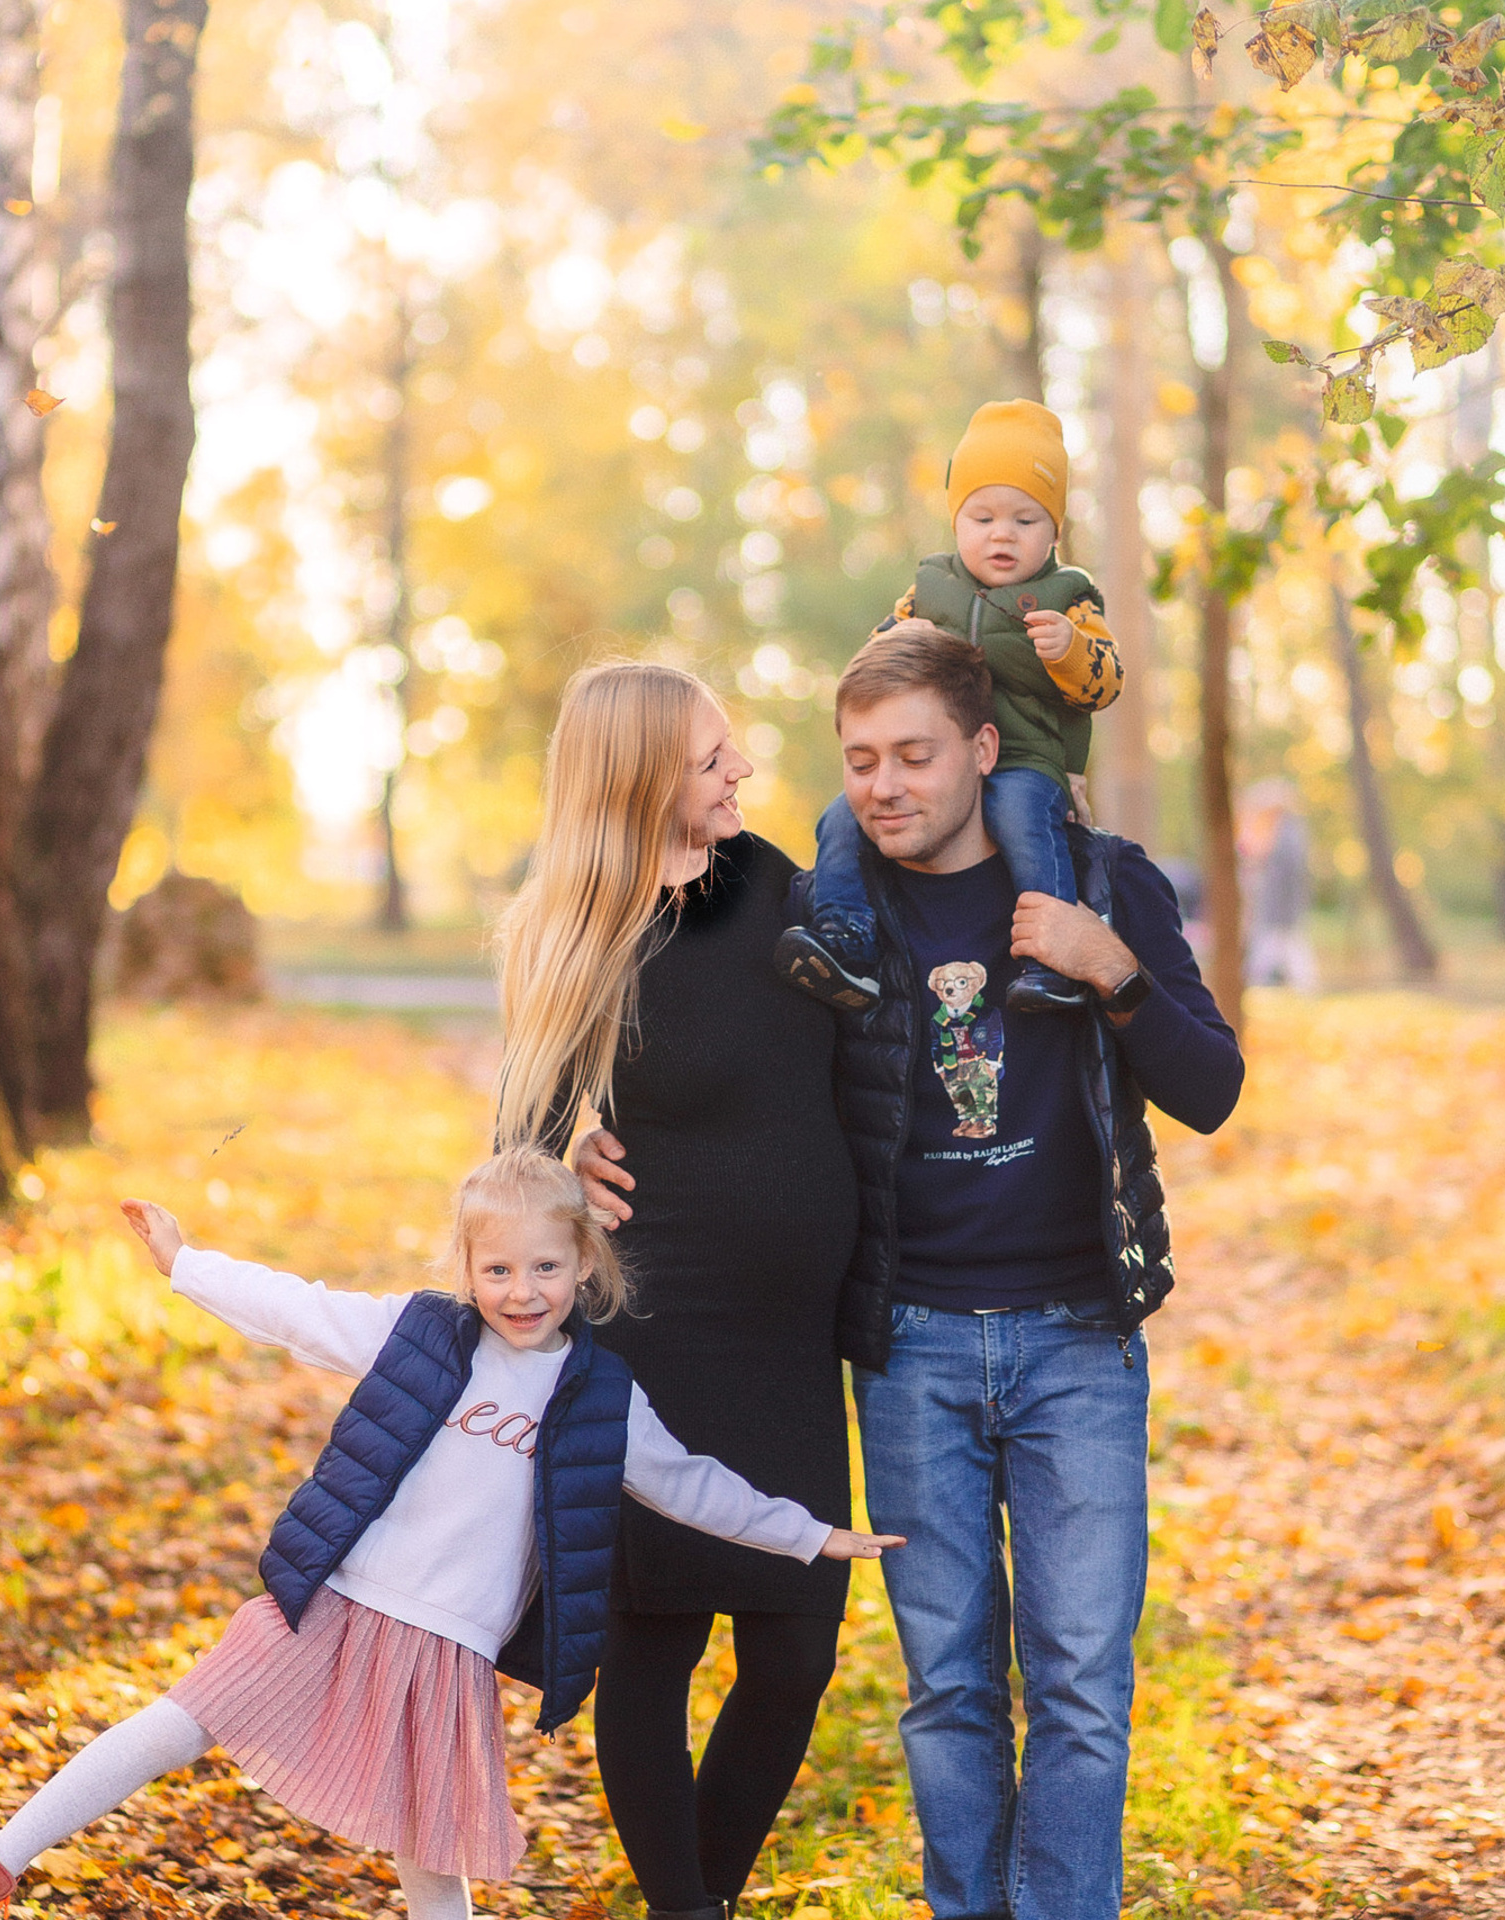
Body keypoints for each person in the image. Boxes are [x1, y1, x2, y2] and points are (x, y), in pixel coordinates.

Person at [578, 624, 1244, 1920]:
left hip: (1076, 1343)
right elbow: (625, 1005)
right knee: (944, 1685)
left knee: (1078, 1686)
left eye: (916, 756)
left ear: (984, 753)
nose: (884, 784)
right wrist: (562, 1140)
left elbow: (1211, 1088)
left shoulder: (1099, 884)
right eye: (862, 759)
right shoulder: (836, 906)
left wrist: (1111, 972)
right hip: (909, 1344)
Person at [0, 1150, 897, 1920]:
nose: (522, 1289)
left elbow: (687, 1486)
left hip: (449, 1648)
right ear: (467, 1266)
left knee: (430, 1854)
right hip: (338, 1601)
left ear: (583, 1262)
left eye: (546, 1265)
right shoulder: (423, 1334)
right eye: (497, 1268)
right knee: (175, 1722)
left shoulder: (599, 1394)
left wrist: (809, 1537)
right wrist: (190, 1264)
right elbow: (304, 1313)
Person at [496, 661, 863, 1920]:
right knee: (656, 1649)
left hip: (790, 1346)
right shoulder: (576, 931)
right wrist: (563, 1161)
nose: (739, 773)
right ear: (643, 776)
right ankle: (686, 1909)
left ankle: (693, 1901)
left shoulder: (769, 881)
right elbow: (517, 1160)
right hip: (656, 1334)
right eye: (713, 760)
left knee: (797, 1646)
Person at [776, 399, 1121, 1014]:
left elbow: (1105, 682)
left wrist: (1070, 650)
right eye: (982, 516)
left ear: (1054, 532)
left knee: (1019, 816)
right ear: (956, 522)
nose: (1002, 534)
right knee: (838, 819)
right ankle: (847, 938)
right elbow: (878, 660)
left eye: (1026, 520)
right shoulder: (931, 589)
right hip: (944, 758)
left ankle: (1050, 958)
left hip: (1025, 758)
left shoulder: (1070, 598)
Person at [1240, 777, 1318, 990]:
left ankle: (1255, 987)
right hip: (1277, 908)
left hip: (1280, 909)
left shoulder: (1286, 834)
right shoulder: (1284, 832)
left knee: (1282, 949)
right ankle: (1300, 989)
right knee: (1282, 950)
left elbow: (1282, 873)